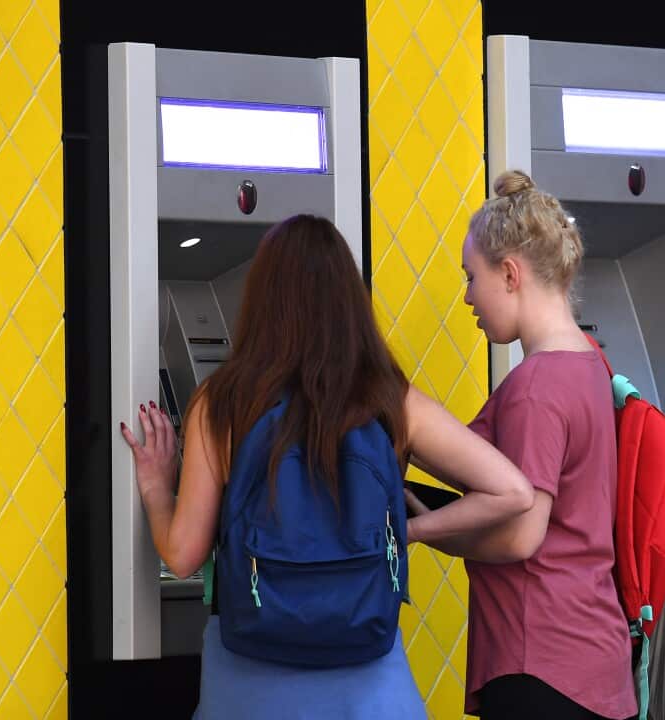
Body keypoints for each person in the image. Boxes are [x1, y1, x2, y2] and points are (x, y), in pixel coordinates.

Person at [122, 214, 534, 719]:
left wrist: (157, 487)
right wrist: (414, 530)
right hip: (370, 681)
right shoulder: (388, 399)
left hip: (249, 678)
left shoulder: (222, 401)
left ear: (262, 300)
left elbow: (183, 555)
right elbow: (512, 491)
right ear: (348, 303)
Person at [405, 170, 637, 720]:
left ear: (509, 274)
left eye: (471, 277)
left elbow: (520, 535)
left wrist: (416, 531)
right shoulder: (589, 363)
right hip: (595, 662)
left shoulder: (537, 387)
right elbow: (487, 473)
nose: (467, 298)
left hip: (543, 660)